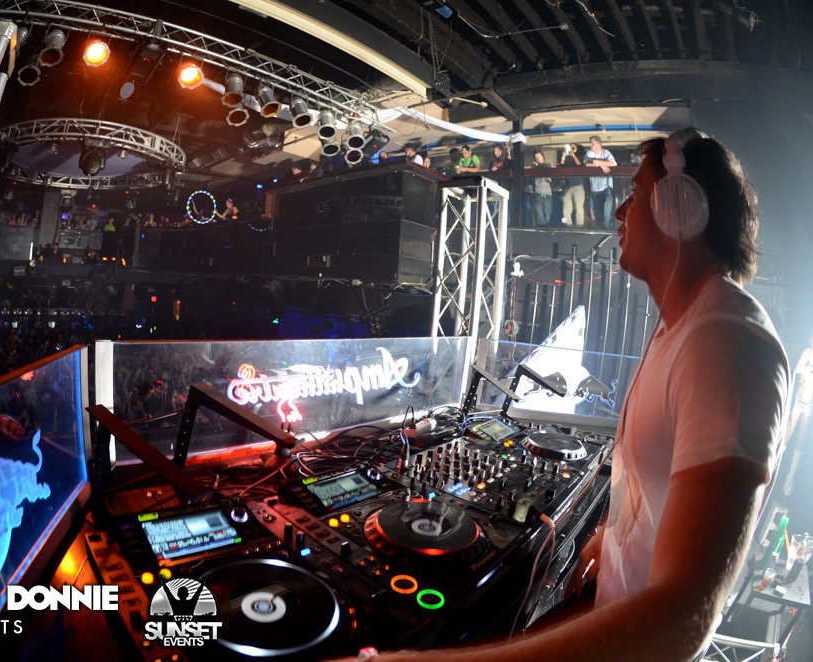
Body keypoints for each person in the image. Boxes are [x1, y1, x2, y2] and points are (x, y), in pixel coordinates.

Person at [332, 130, 790, 662]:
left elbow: (680, 618)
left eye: (635, 193)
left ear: (678, 208)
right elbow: (657, 490)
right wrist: (610, 537)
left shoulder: (728, 344)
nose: (619, 211)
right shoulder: (682, 328)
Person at [783, 333, 813, 495]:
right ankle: (774, 466)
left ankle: (790, 483)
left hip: (808, 405)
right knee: (787, 434)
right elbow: (798, 368)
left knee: (801, 440)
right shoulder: (807, 353)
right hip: (798, 401)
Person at [585, 135, 617, 228]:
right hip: (595, 188)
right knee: (599, 211)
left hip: (607, 186)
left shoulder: (606, 152)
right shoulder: (589, 153)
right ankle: (601, 228)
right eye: (590, 143)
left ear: (599, 144)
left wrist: (598, 162)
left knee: (608, 201)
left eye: (593, 143)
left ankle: (607, 226)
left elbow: (613, 164)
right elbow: (587, 164)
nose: (590, 145)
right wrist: (601, 165)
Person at [561, 142, 586, 226]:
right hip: (568, 187)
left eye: (573, 148)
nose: (571, 150)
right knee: (566, 210)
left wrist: (574, 156)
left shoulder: (581, 157)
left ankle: (579, 227)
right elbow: (560, 169)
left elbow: (581, 167)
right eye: (570, 148)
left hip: (578, 186)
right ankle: (569, 227)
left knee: (579, 209)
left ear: (577, 150)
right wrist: (563, 157)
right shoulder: (567, 160)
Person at [531, 149, 553, 227]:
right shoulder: (534, 168)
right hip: (538, 193)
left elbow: (545, 169)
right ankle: (542, 225)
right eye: (536, 157)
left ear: (543, 157)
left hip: (547, 193)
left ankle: (546, 225)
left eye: (539, 157)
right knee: (539, 209)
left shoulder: (548, 165)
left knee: (547, 211)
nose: (538, 159)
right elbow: (531, 178)